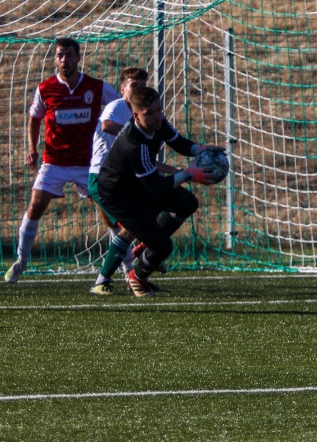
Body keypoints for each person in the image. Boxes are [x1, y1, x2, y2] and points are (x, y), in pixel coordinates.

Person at [5, 38, 119, 284]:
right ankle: (21, 260)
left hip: (88, 163)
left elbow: (120, 104)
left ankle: (127, 266)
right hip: (54, 162)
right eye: (60, 55)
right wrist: (31, 147)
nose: (64, 60)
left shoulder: (95, 86)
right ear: (55, 59)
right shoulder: (46, 88)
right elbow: (34, 117)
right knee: (35, 206)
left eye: (69, 55)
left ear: (78, 57)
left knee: (108, 212)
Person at [96, 86, 222, 297]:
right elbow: (156, 187)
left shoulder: (157, 122)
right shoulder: (135, 145)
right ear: (136, 115)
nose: (157, 116)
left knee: (187, 202)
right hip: (117, 195)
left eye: (159, 110)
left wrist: (201, 150)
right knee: (163, 246)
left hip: (138, 185)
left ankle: (147, 247)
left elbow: (178, 142)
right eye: (150, 113)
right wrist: (189, 174)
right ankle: (137, 276)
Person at [87, 68, 176, 295]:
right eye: (134, 85)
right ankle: (105, 280)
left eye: (143, 85)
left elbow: (144, 159)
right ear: (123, 89)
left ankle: (140, 262)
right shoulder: (119, 106)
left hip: (124, 179)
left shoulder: (142, 118)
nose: (139, 90)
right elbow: (106, 125)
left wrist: (175, 171)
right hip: (103, 179)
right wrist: (133, 134)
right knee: (131, 226)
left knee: (158, 203)